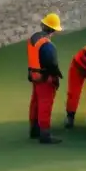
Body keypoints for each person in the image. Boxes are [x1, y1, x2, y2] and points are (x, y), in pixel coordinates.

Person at [27, 12, 64, 144]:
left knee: (35, 102)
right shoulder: (48, 45)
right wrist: (57, 77)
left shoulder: (34, 38)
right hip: (45, 79)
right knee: (45, 105)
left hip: (34, 76)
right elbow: (52, 64)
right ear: (53, 30)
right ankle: (45, 135)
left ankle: (34, 130)